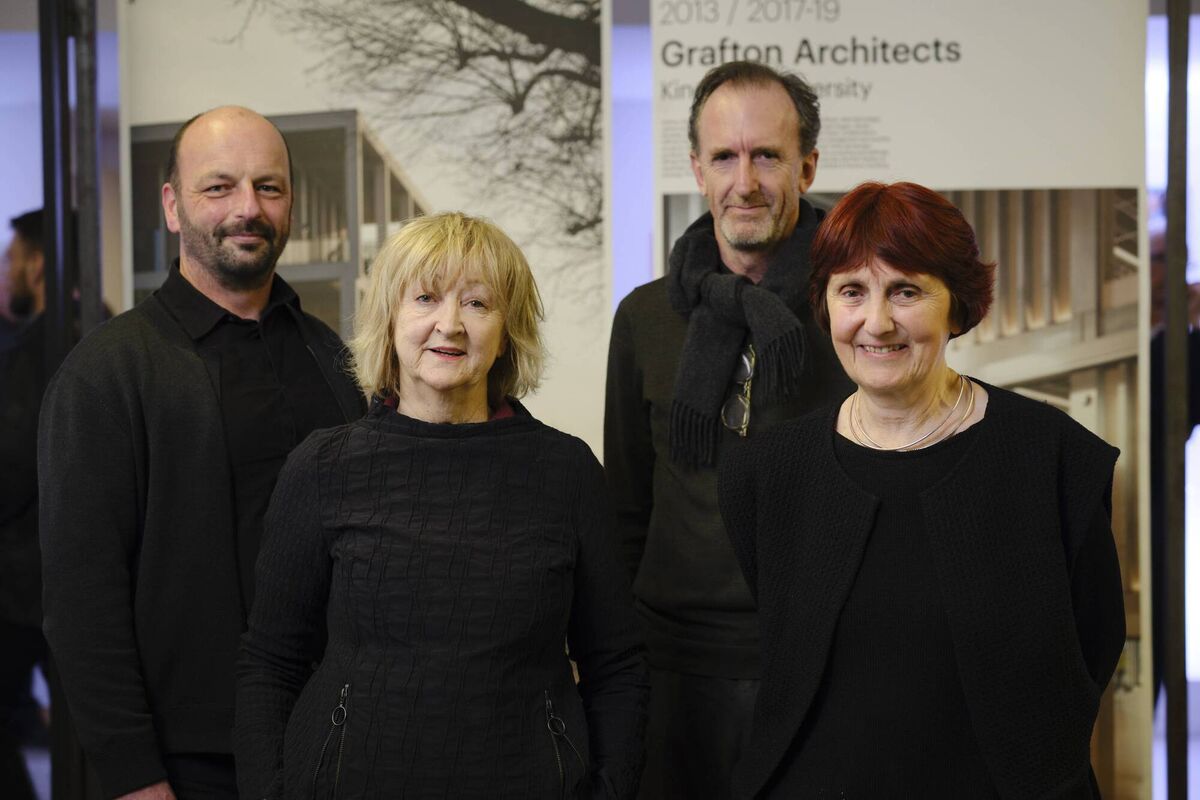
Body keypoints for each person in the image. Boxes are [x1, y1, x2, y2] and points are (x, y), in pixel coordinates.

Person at [719, 181, 1126, 798]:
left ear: (955, 305)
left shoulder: (1051, 458)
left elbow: (1093, 646)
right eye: (851, 291)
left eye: (905, 291)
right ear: (825, 304)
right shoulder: (770, 473)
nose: (876, 322)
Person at [234, 212, 649, 799]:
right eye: (425, 297)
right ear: (390, 318)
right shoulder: (323, 467)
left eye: (478, 304)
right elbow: (270, 663)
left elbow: (617, 667)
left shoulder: (567, 473)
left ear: (509, 330)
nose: (449, 325)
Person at [38, 106, 364, 800]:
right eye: (219, 187)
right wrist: (135, 777)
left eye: (268, 187)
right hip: (187, 769)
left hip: (332, 747)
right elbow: (80, 600)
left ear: (291, 205)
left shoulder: (333, 361)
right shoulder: (107, 374)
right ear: (172, 205)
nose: (248, 208)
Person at [603, 61, 851, 798]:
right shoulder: (644, 318)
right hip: (672, 673)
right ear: (697, 170)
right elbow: (626, 509)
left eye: (767, 155)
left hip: (820, 667)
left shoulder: (857, 314)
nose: (745, 181)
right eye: (725, 157)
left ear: (807, 166)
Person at [0, 209, 48, 800]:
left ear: (37, 261)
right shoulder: (113, 332)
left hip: (20, 590)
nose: (6, 270)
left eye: (13, 258)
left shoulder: (28, 353)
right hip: (78, 586)